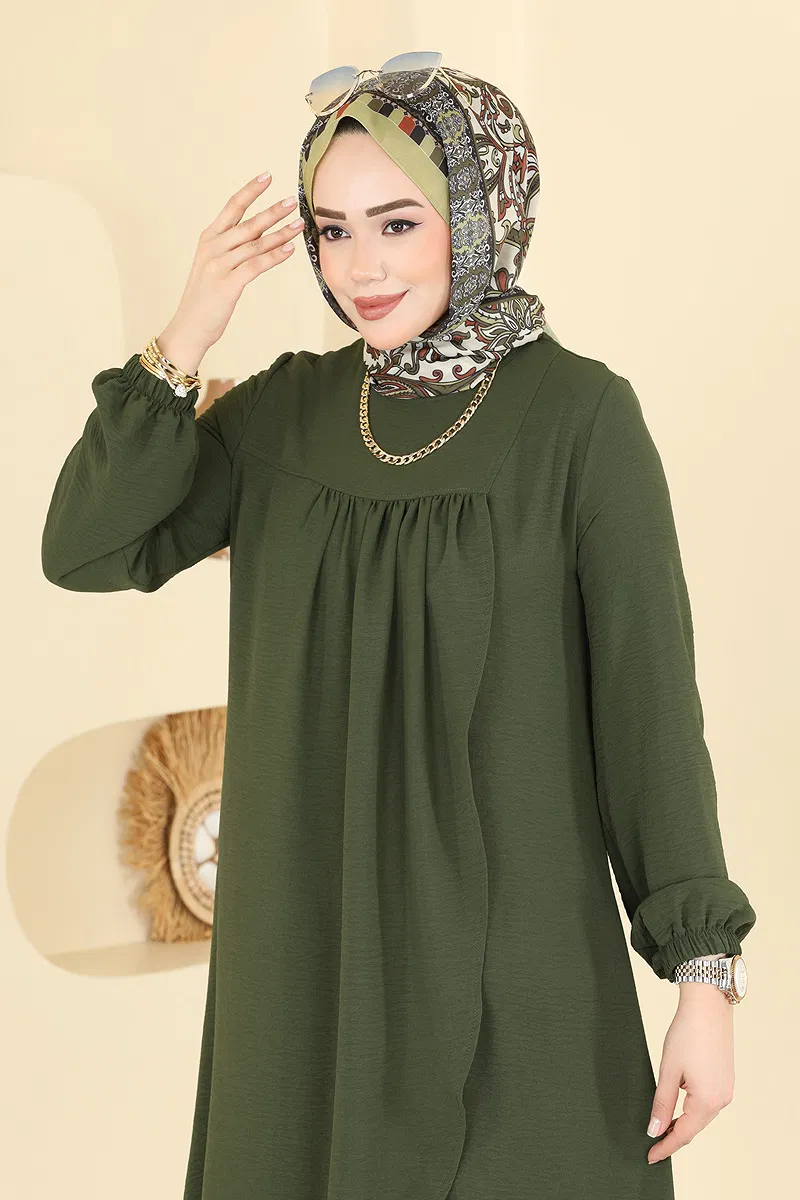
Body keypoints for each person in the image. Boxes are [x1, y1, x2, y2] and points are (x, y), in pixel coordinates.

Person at [41, 59, 757, 1200]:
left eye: (397, 223)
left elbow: (649, 715)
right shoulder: (283, 416)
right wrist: (188, 329)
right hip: (306, 982)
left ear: (480, 215)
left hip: (519, 985)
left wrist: (701, 985)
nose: (360, 267)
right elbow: (86, 547)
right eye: (331, 230)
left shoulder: (580, 420)